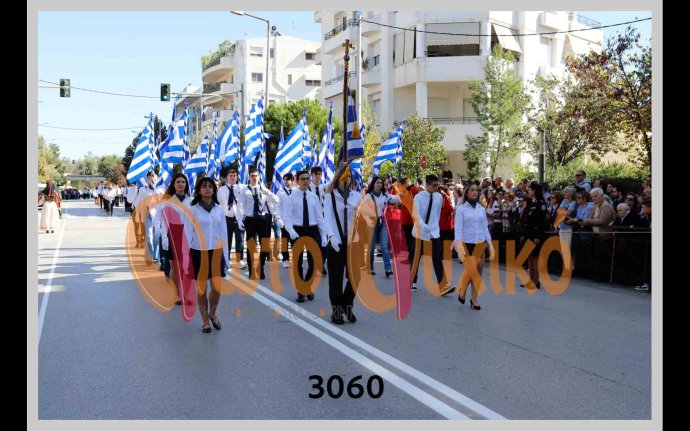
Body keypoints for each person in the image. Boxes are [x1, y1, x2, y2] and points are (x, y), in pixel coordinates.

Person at [183, 176, 231, 333]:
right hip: (199, 253)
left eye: (210, 186)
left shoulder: (219, 210)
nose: (207, 189)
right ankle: (205, 320)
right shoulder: (192, 209)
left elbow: (224, 234)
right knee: (202, 289)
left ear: (214, 189)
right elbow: (187, 234)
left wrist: (226, 256)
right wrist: (185, 257)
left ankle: (213, 314)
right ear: (198, 190)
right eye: (204, 186)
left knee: (217, 288)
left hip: (216, 252)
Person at [323, 164, 362, 324]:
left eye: (349, 178)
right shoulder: (330, 196)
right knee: (336, 280)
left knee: (355, 277)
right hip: (336, 242)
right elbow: (326, 219)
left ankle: (347, 303)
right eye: (344, 178)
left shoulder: (356, 197)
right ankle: (337, 312)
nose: (346, 181)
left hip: (353, 241)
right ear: (338, 179)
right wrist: (331, 237)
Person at [284, 170, 328, 302]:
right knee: (297, 263)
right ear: (297, 181)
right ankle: (301, 290)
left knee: (314, 262)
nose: (305, 181)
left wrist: (324, 235)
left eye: (307, 179)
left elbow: (319, 217)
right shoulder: (291, 197)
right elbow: (287, 217)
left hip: (312, 230)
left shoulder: (313, 197)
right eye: (303, 179)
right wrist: (291, 231)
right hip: (297, 230)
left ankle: (307, 287)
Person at [452, 183, 493, 310]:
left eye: (477, 190)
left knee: (478, 272)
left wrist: (490, 243)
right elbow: (458, 229)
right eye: (472, 190)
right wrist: (458, 246)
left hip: (480, 243)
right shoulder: (461, 209)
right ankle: (462, 289)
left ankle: (474, 299)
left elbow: (485, 227)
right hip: (467, 243)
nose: (475, 192)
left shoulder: (481, 209)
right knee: (471, 271)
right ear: (467, 192)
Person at [411, 174, 454, 296]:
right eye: (434, 185)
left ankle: (443, 286)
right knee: (416, 258)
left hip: (434, 233)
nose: (436, 188)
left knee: (437, 258)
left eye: (437, 185)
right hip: (419, 232)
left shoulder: (439, 197)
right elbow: (416, 215)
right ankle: (412, 281)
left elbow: (437, 214)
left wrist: (434, 229)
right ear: (427, 185)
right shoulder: (418, 197)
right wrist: (424, 226)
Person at [157, 173, 193, 305]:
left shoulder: (192, 201)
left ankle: (186, 294)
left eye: (183, 182)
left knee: (186, 267)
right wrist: (165, 238)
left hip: (188, 235)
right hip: (173, 234)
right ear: (173, 184)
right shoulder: (168, 202)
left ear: (186, 184)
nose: (181, 184)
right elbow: (164, 221)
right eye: (178, 182)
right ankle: (176, 294)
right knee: (174, 267)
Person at [238, 167, 279, 280]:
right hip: (250, 219)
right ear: (249, 177)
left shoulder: (263, 189)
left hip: (263, 219)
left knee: (265, 245)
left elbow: (276, 200)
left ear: (259, 177)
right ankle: (251, 270)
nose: (254, 178)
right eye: (252, 176)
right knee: (251, 246)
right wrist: (239, 220)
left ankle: (261, 267)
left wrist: (267, 192)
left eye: (256, 176)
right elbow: (240, 206)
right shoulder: (244, 190)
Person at [362, 176, 400, 278]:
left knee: (384, 246)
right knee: (371, 247)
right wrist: (367, 220)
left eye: (380, 183)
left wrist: (399, 191)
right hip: (372, 223)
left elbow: (398, 198)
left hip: (383, 223)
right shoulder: (368, 196)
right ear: (373, 184)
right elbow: (363, 210)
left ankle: (388, 269)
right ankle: (370, 267)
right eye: (377, 183)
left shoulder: (385, 195)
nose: (379, 185)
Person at [216, 167, 247, 270]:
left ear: (237, 177)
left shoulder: (242, 188)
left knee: (240, 239)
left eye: (234, 176)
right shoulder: (221, 190)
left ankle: (239, 260)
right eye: (230, 176)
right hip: (226, 218)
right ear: (227, 177)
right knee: (227, 239)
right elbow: (218, 203)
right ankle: (226, 260)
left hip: (239, 218)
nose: (232, 177)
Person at [522, 181, 548, 290]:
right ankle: (531, 279)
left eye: (530, 189)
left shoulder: (540, 204)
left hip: (535, 234)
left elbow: (541, 222)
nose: (528, 191)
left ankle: (536, 281)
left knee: (535, 258)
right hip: (529, 234)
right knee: (530, 257)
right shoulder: (532, 202)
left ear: (534, 191)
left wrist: (538, 236)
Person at [309, 166, 328, 276]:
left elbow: (333, 184)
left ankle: (320, 264)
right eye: (316, 174)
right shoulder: (307, 188)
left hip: (322, 219)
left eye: (319, 174)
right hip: (311, 219)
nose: (318, 176)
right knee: (313, 245)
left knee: (325, 245)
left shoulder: (322, 187)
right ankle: (314, 266)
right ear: (312, 175)